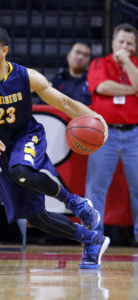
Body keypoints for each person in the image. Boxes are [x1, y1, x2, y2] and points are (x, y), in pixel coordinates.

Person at [0, 26, 110, 269]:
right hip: (0, 149)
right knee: (35, 217)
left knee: (20, 171)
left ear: (4, 51)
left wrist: (96, 117)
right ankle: (92, 240)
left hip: (26, 135)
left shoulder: (26, 76)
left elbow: (64, 102)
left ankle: (76, 203)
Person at [85, 23, 138, 245]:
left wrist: (126, 61)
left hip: (134, 133)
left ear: (135, 46)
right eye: (121, 42)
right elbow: (102, 87)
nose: (125, 46)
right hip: (104, 134)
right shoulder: (99, 63)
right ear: (113, 43)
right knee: (96, 187)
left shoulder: (134, 64)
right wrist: (132, 90)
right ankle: (93, 236)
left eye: (130, 43)